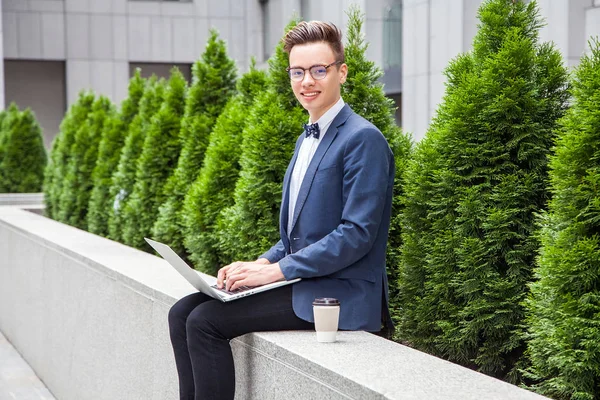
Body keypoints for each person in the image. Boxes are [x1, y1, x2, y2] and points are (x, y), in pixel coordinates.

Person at [168, 20, 395, 400]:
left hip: (341, 293)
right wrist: (260, 263)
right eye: (298, 71)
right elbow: (297, 235)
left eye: (319, 70)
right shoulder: (305, 138)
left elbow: (356, 234)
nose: (307, 80)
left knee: (205, 322)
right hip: (308, 281)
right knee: (181, 313)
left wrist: (275, 272)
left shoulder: (363, 138)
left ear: (342, 72)